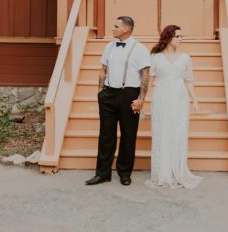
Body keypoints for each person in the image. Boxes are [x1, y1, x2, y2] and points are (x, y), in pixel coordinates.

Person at [85, 15, 150, 186]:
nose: (112, 29)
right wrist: (100, 92)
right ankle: (102, 173)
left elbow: (145, 75)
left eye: (116, 26)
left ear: (126, 29)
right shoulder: (109, 46)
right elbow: (103, 69)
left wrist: (141, 99)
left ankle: (124, 172)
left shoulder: (140, 49)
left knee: (128, 135)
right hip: (108, 95)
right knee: (106, 135)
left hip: (128, 94)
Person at [146, 24, 202, 189]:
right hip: (161, 97)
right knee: (162, 131)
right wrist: (142, 99)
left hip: (179, 97)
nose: (180, 39)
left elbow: (189, 81)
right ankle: (162, 172)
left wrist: (195, 99)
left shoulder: (185, 58)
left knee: (177, 132)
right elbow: (149, 81)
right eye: (177, 36)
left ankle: (177, 170)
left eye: (181, 36)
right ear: (168, 37)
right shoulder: (155, 57)